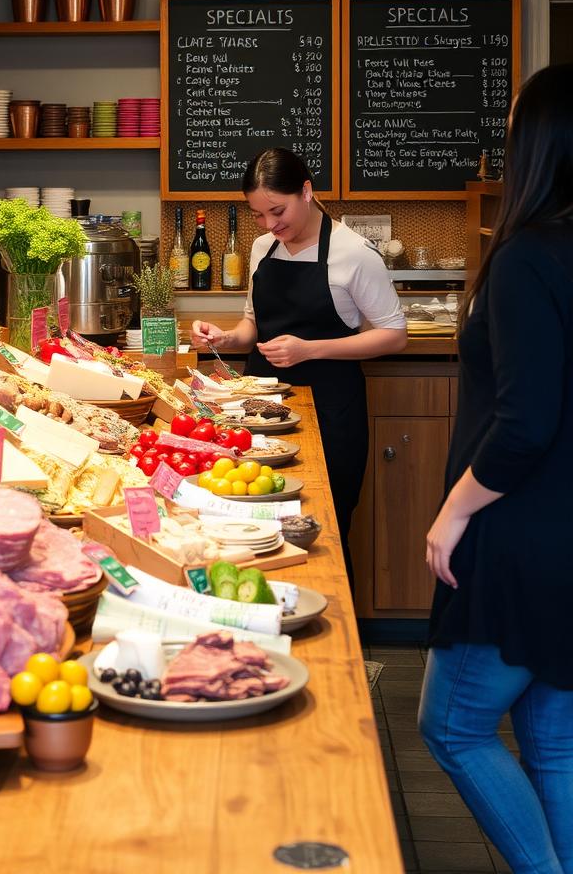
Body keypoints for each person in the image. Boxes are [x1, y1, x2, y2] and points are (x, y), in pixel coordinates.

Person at [419, 64, 573, 874]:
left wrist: (453, 511)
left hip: (518, 538)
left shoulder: (523, 260)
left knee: (453, 728)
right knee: (554, 740)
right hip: (566, 537)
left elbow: (524, 423)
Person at [190, 149, 407, 573]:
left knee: (323, 527)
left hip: (331, 410)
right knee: (255, 520)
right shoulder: (261, 248)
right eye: (257, 215)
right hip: (259, 414)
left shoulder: (354, 252)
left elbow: (394, 335)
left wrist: (309, 348)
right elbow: (253, 324)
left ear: (306, 192)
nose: (270, 225)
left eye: (277, 210)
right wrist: (227, 337)